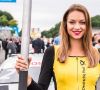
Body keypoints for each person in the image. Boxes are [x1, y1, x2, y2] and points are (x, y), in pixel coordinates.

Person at [15, 4, 100, 90]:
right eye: (72, 22)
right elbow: (41, 88)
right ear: (65, 24)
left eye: (82, 22)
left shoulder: (96, 53)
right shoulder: (52, 52)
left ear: (88, 25)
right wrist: (26, 76)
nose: (77, 27)